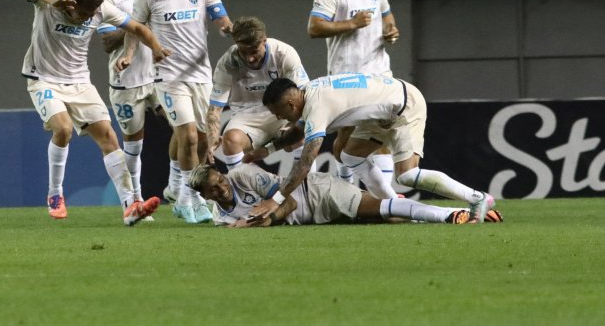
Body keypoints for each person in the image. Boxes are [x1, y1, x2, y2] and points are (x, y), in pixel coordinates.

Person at [18, 0, 167, 225]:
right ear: (73, 0)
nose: (89, 18)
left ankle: (130, 207)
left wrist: (156, 47)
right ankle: (55, 194)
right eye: (85, 12)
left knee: (108, 136)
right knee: (63, 129)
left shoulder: (101, 9)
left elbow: (138, 28)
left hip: (80, 82)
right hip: (43, 79)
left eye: (93, 13)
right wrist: (51, 1)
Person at [252, 76, 498, 223]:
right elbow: (299, 130)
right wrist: (269, 148)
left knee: (407, 175)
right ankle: (393, 205)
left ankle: (478, 198)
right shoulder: (310, 91)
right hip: (382, 110)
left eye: (278, 113)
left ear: (291, 103)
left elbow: (306, 162)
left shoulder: (317, 108)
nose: (280, 119)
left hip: (403, 106)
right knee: (349, 155)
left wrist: (277, 199)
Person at [119, 0, 233, 224]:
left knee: (204, 140)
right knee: (188, 136)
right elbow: (136, 28)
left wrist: (229, 29)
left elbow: (219, 16)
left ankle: (175, 187)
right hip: (168, 76)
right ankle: (189, 199)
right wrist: (129, 55)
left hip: (201, 74)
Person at [308, 0, 400, 199]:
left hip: (379, 74)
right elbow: (314, 27)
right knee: (346, 140)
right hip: (346, 78)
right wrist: (352, 24)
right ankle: (347, 191)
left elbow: (387, 16)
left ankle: (387, 199)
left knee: (379, 136)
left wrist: (391, 31)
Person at [188, 163, 502, 227]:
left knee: (380, 209)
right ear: (205, 195)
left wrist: (262, 222)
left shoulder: (243, 174)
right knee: (390, 219)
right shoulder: (222, 217)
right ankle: (478, 212)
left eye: (220, 180)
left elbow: (290, 201)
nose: (222, 187)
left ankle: (454, 215)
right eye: (213, 189)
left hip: (318, 192)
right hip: (318, 219)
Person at [95, 0, 160, 212]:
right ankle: (135, 200)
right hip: (127, 80)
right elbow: (108, 42)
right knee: (134, 145)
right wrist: (136, 24)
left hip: (159, 73)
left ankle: (185, 193)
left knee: (189, 130)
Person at [205, 16, 309, 171]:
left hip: (281, 115)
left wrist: (294, 124)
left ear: (264, 41)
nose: (250, 58)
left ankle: (306, 188)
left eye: (254, 51)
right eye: (244, 52)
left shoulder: (284, 54)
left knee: (300, 134)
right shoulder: (228, 62)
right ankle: (243, 191)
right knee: (230, 140)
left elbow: (304, 95)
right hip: (246, 116)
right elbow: (215, 108)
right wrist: (212, 137)